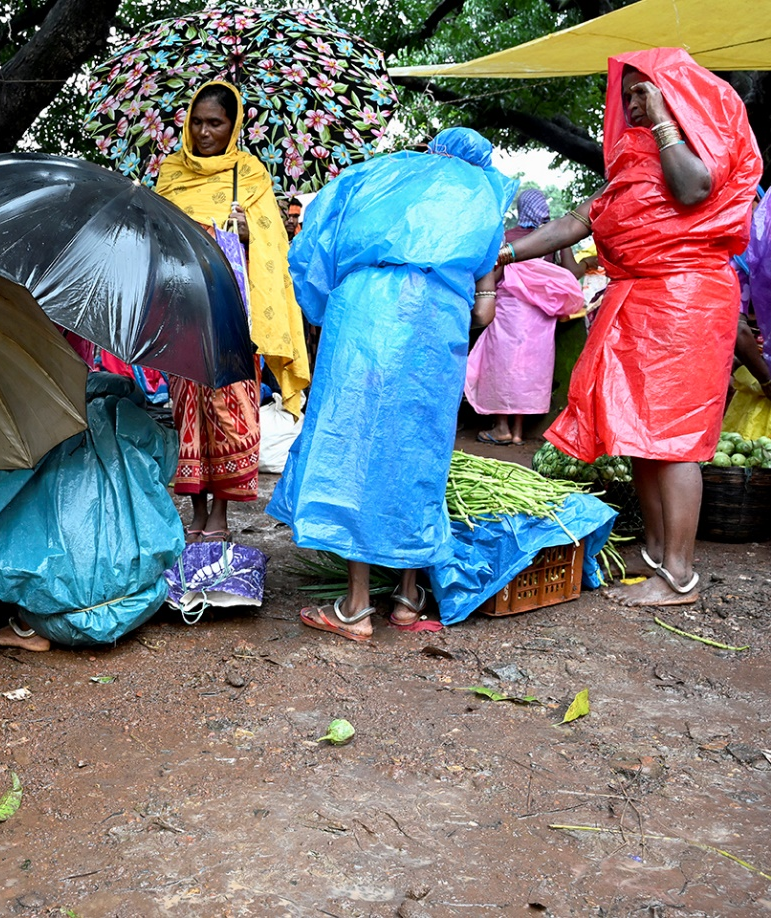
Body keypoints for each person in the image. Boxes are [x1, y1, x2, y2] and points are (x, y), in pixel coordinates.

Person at [501, 48, 761, 607]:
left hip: (684, 302)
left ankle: (680, 576)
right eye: (628, 96)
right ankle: (659, 556)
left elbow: (693, 191)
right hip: (640, 302)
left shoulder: (698, 151)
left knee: (674, 442)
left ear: (675, 96)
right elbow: (574, 224)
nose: (632, 104)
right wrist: (501, 255)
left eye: (644, 92)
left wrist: (666, 120)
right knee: (641, 438)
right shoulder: (633, 161)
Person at [268, 127, 516, 640]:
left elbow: (315, 242)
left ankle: (356, 607)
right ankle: (407, 596)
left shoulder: (380, 174)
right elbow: (485, 308)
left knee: (357, 447)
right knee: (418, 451)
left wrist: (323, 305)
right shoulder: (485, 194)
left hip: (365, 312)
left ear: (432, 148)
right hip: (437, 320)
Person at [154, 80, 310, 543]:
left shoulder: (252, 175)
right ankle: (196, 509)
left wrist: (246, 234)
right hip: (184, 313)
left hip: (233, 318)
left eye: (215, 123)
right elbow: (156, 239)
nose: (204, 132)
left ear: (233, 125)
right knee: (186, 412)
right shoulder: (170, 174)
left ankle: (220, 513)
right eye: (197, 122)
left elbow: (274, 247)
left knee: (229, 410)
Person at [468, 196, 586, 446]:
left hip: (509, 312)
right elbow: (572, 272)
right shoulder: (552, 238)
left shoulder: (508, 237)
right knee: (528, 371)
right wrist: (582, 260)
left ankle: (501, 427)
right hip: (540, 317)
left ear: (522, 210)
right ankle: (519, 432)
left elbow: (495, 274)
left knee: (502, 367)